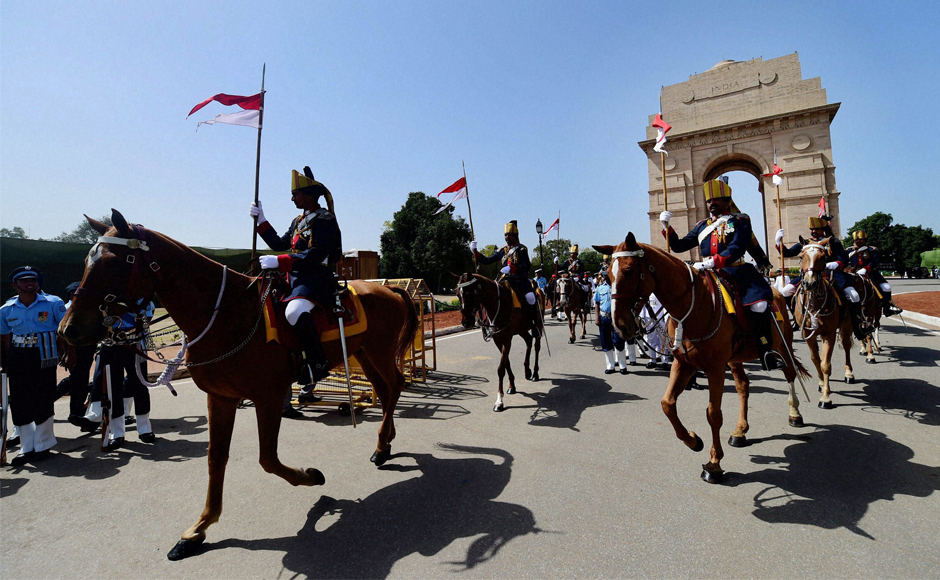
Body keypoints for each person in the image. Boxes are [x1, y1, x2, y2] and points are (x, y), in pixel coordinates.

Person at [660, 179, 780, 371]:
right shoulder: (702, 225)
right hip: (707, 272)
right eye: (709, 201)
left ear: (728, 201)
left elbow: (738, 246)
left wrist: (714, 261)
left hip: (737, 272)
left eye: (717, 199)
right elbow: (679, 246)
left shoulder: (740, 220)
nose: (711, 203)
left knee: (759, 306)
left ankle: (765, 349)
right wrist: (668, 227)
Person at [250, 166, 343, 410]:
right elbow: (281, 243)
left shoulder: (325, 219)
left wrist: (282, 261)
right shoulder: (298, 221)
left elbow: (317, 253)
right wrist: (262, 221)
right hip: (294, 278)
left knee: (293, 312)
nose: (292, 198)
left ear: (309, 195)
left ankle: (317, 365)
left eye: (296, 194)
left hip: (316, 277)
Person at [0, 267, 66, 465]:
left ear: (38, 283)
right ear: (14, 285)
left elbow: (64, 331)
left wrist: (68, 354)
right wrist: (4, 363)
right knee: (20, 400)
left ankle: (43, 444)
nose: (29, 284)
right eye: (24, 281)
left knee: (43, 398)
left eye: (33, 280)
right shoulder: (6, 309)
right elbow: (3, 339)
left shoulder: (54, 303)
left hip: (44, 355)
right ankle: (26, 447)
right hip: (18, 355)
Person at [775, 216, 872, 340]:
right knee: (785, 291)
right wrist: (778, 242)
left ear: (823, 229)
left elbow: (844, 259)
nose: (813, 231)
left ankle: (858, 326)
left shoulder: (833, 242)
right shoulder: (806, 242)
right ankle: (796, 318)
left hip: (832, 274)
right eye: (812, 229)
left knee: (854, 295)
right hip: (810, 274)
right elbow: (787, 253)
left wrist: (836, 264)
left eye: (817, 229)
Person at [84, 297, 157, 449]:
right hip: (111, 346)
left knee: (140, 387)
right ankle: (117, 433)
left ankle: (145, 428)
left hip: (135, 344)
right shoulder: (103, 298)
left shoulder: (142, 299)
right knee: (113, 390)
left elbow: (147, 319)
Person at [471, 220, 541, 334]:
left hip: (520, 280)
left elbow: (527, 266)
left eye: (510, 235)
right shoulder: (502, 250)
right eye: (506, 235)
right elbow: (487, 260)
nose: (507, 237)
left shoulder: (522, 249)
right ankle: (489, 322)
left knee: (531, 298)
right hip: (505, 280)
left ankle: (533, 324)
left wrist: (513, 268)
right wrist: (476, 252)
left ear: (515, 236)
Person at [55, 282, 97, 428]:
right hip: (76, 349)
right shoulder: (68, 309)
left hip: (86, 348)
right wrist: (67, 354)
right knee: (78, 380)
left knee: (79, 379)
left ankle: (77, 412)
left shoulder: (87, 308)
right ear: (73, 295)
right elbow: (62, 335)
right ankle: (76, 413)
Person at [848, 230, 903, 317]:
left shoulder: (872, 250)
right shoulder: (849, 250)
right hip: (853, 274)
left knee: (886, 288)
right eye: (856, 240)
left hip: (870, 273)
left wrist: (866, 269)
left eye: (861, 239)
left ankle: (887, 307)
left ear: (865, 240)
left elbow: (874, 261)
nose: (858, 241)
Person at [593, 273, 628, 374]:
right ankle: (610, 366)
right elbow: (597, 303)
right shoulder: (600, 288)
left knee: (618, 341)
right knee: (606, 341)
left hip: (616, 318)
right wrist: (597, 318)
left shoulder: (619, 286)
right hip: (604, 317)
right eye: (604, 275)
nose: (606, 277)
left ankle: (622, 366)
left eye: (608, 275)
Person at [557, 245, 591, 311]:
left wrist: (578, 278)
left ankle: (585, 303)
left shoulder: (580, 262)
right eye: (571, 253)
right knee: (561, 288)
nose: (572, 255)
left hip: (577, 278)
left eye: (574, 254)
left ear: (576, 254)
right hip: (569, 278)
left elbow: (582, 272)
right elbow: (560, 268)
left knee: (585, 288)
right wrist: (556, 262)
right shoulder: (567, 261)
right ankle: (561, 303)